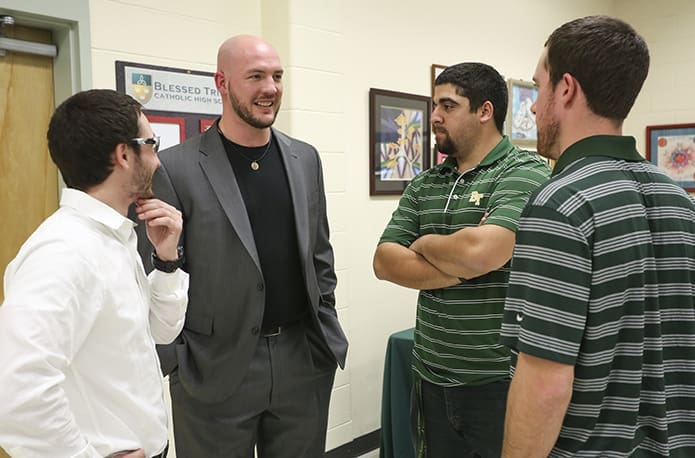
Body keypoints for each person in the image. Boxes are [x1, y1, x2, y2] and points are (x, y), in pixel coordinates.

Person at [136, 34, 348, 457]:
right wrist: (176, 358)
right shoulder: (175, 168)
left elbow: (319, 254)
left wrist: (325, 325)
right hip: (213, 366)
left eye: (276, 76)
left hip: (301, 358)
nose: (270, 88)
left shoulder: (304, 159)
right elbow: (153, 272)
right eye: (255, 76)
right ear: (222, 83)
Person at [500, 15, 695, 457]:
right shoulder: (678, 200)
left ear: (565, 89)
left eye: (538, 88)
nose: (532, 107)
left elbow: (545, 383)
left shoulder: (560, 205)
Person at [373, 62, 550, 457]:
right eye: (435, 105)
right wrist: (462, 268)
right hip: (431, 377)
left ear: (484, 111)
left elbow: (483, 251)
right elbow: (384, 261)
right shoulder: (426, 182)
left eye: (448, 106)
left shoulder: (525, 172)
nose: (434, 116)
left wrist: (423, 241)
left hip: (499, 382)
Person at [0, 89, 188, 457]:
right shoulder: (64, 252)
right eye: (151, 143)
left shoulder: (113, 238)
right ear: (123, 154)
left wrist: (166, 261)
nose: (158, 161)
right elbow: (14, 390)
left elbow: (162, 331)